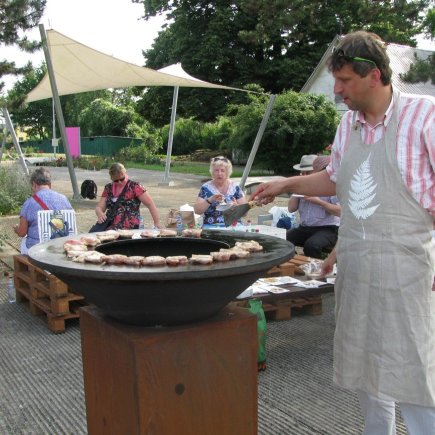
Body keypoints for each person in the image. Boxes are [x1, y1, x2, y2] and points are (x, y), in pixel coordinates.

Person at [252, 31, 435, 433]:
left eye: (345, 80)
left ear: (374, 75)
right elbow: (335, 178)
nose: (337, 90)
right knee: (368, 371)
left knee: (412, 373)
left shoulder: (425, 117)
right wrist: (286, 184)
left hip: (406, 272)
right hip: (357, 269)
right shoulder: (348, 125)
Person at [286, 155, 340, 258]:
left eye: (308, 173)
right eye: (302, 173)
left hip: (327, 229)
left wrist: (319, 202)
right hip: (304, 228)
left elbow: (340, 212)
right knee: (282, 239)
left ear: (318, 173)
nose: (305, 176)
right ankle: (293, 262)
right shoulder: (301, 186)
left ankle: (317, 266)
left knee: (311, 245)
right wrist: (297, 191)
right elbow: (291, 208)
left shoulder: (329, 186)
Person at [13, 167, 73, 254]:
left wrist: (16, 229)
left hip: (37, 249)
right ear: (50, 184)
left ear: (34, 184)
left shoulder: (29, 203)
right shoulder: (64, 199)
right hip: (61, 246)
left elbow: (22, 232)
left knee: (23, 241)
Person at [95, 163, 161, 229]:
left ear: (125, 173)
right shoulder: (108, 188)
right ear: (111, 178)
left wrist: (157, 223)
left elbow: (150, 204)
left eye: (122, 179)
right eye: (116, 180)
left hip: (130, 228)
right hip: (110, 227)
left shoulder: (135, 187)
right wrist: (100, 213)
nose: (119, 182)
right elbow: (99, 207)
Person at [194, 156, 247, 226]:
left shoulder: (235, 187)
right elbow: (197, 211)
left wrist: (237, 207)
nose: (219, 173)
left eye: (222, 170)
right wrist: (210, 200)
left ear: (227, 173)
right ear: (212, 172)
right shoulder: (205, 188)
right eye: (216, 170)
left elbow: (245, 213)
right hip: (212, 226)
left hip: (233, 226)